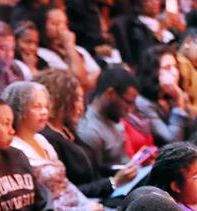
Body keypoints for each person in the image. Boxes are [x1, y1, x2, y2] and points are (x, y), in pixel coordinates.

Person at [2, 81, 115, 211]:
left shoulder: (42, 140)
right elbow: (44, 203)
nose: (44, 112)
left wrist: (88, 204)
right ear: (19, 110)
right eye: (37, 106)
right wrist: (83, 210)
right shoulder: (16, 150)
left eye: (46, 106)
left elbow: (65, 183)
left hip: (77, 210)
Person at [35, 69, 136, 200]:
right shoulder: (48, 138)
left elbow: (94, 169)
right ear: (60, 100)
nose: (81, 107)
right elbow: (67, 190)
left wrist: (127, 169)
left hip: (100, 197)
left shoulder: (67, 130)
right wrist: (113, 182)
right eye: (76, 99)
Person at [76, 67, 140, 172]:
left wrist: (138, 161)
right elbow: (95, 179)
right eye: (128, 102)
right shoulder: (90, 131)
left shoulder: (113, 116)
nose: (131, 109)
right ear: (110, 93)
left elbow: (121, 162)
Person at [135, 45, 191, 146]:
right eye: (167, 68)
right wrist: (179, 104)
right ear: (153, 72)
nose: (175, 73)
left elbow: (191, 130)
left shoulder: (172, 94)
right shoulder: (143, 102)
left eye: (176, 67)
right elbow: (172, 141)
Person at [37, 7, 100, 91]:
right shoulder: (41, 54)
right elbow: (77, 80)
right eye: (55, 24)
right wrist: (69, 45)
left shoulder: (80, 50)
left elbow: (98, 75)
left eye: (64, 24)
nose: (61, 28)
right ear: (43, 26)